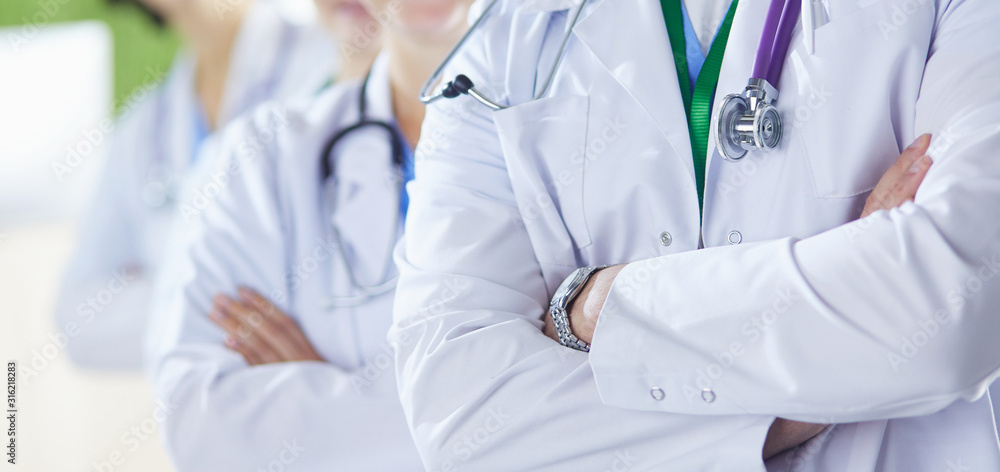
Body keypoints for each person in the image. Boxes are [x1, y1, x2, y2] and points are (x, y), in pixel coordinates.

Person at [390, 0, 1000, 469]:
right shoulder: (506, 34)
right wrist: (820, 393)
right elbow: (461, 417)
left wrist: (598, 307)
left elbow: (954, 305)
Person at [143, 0, 474, 469]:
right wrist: (490, 408)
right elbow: (201, 425)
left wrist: (325, 411)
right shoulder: (259, 157)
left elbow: (585, 405)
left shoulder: (571, 149)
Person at [54, 0, 379, 369]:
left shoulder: (345, 50)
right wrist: (232, 314)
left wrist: (180, 298)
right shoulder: (144, 128)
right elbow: (80, 320)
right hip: (213, 399)